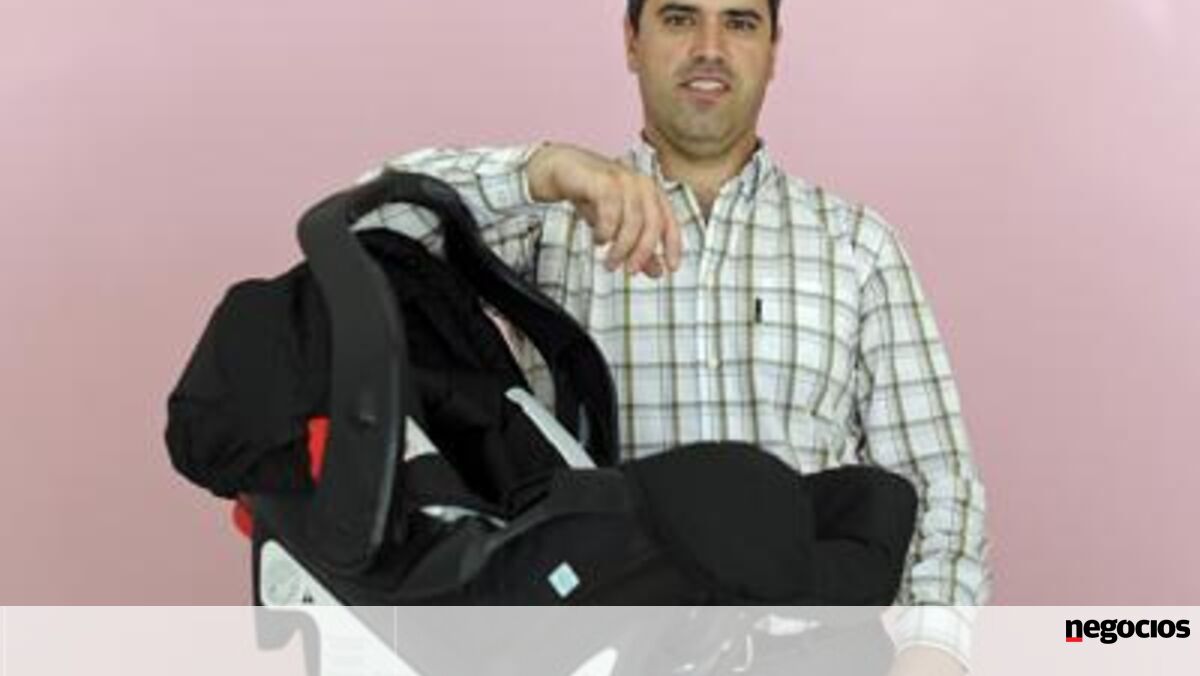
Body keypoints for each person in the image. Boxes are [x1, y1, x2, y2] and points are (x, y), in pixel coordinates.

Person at [355, 1, 989, 673]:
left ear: (774, 49)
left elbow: (937, 478)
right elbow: (366, 230)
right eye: (680, 18)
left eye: (740, 22)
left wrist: (932, 648)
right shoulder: (554, 222)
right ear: (633, 41)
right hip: (609, 648)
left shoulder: (858, 245)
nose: (710, 47)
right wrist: (544, 170)